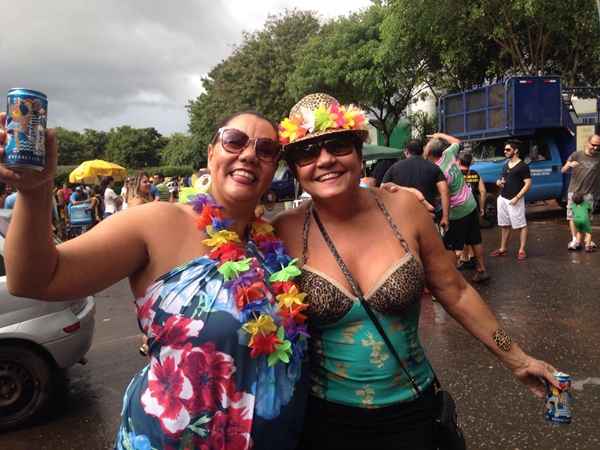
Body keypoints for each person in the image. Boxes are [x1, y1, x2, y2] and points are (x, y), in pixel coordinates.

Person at [0, 110, 309, 450]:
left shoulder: (276, 244)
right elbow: (34, 280)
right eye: (234, 141)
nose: (249, 154)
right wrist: (35, 192)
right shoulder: (157, 222)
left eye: (265, 150)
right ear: (210, 153)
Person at [274, 93, 560, 450]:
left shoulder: (405, 209)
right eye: (307, 152)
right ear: (295, 169)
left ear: (358, 152)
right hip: (328, 422)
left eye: (338, 145)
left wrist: (517, 358)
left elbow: (454, 290)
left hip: (414, 412)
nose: (325, 160)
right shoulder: (281, 232)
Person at [425, 133, 490, 282]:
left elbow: (444, 193)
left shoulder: (435, 170)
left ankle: (449, 280)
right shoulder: (448, 154)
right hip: (470, 203)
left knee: (452, 247)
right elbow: (457, 141)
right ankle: (481, 270)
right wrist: (439, 135)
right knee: (475, 240)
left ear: (429, 152)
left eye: (426, 146)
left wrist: (445, 216)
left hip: (457, 211)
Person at [382, 139, 450, 231]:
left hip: (403, 220)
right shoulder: (434, 168)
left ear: (406, 152)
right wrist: (445, 217)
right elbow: (444, 192)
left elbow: (382, 189)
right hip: (428, 218)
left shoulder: (394, 168)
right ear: (422, 151)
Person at [490, 139, 532, 260]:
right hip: (503, 198)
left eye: (508, 149)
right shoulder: (505, 165)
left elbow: (528, 184)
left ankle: (521, 250)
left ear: (516, 150)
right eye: (505, 149)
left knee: (521, 225)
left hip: (515, 199)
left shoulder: (523, 166)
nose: (505, 151)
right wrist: (499, 182)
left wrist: (517, 197)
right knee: (504, 225)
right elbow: (503, 180)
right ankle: (503, 248)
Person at [561, 134, 600, 250]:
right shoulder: (576, 155)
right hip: (574, 192)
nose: (596, 148)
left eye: (598, 146)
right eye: (593, 145)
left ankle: (587, 240)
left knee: (586, 217)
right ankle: (575, 240)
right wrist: (569, 165)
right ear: (587, 143)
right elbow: (563, 170)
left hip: (590, 193)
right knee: (572, 217)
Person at [458, 152, 487, 269]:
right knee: (474, 236)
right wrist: (481, 207)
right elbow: (483, 192)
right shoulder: (475, 174)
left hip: (460, 208)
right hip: (473, 207)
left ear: (459, 161)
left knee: (462, 235)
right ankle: (473, 256)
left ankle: (464, 259)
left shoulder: (455, 174)